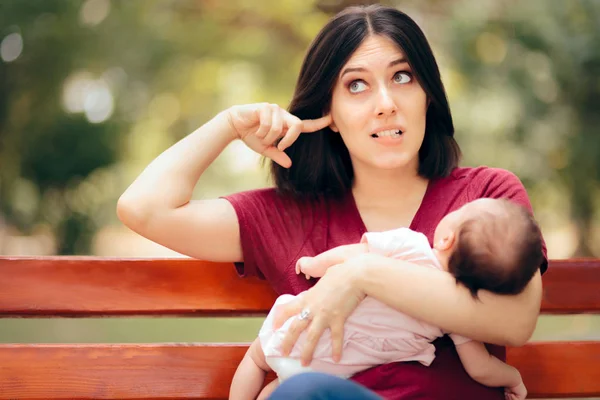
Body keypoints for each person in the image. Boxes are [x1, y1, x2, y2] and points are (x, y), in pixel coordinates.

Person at [116, 4, 548, 399]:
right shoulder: (287, 216)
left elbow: (515, 320)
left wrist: (362, 274)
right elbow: (144, 208)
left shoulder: (486, 199)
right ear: (330, 114)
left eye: (402, 77)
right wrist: (228, 123)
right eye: (356, 85)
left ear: (428, 95)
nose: (385, 104)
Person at [229, 198, 541, 400]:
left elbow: (354, 255)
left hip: (306, 332)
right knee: (281, 388)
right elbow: (480, 368)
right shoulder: (453, 314)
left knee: (256, 360)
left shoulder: (410, 246)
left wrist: (315, 264)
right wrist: (512, 377)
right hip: (331, 368)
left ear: (447, 238)